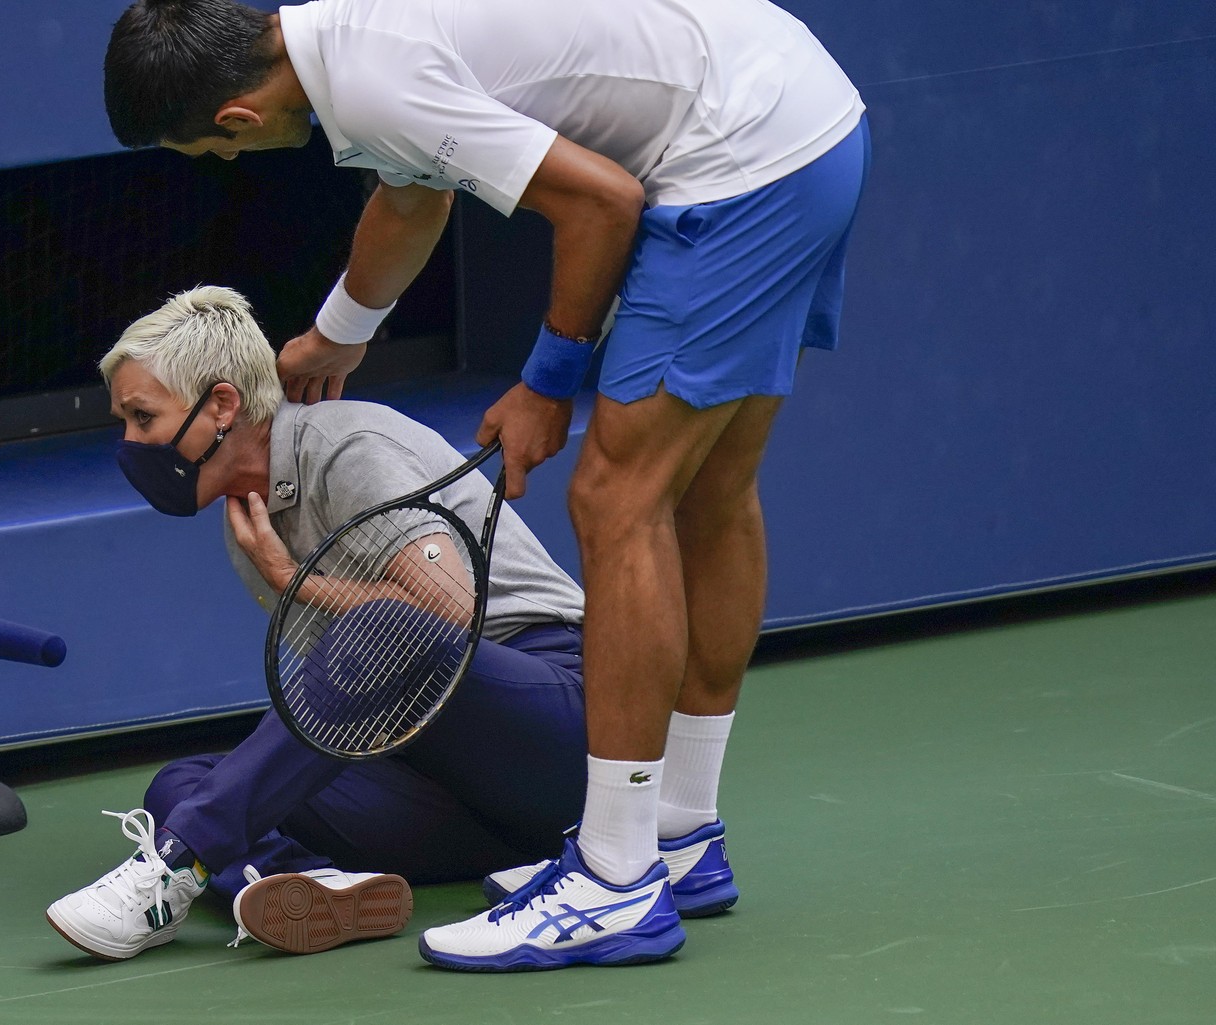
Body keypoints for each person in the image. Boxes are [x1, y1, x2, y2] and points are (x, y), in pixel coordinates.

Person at [103, 0, 869, 971]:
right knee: (711, 491)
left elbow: (602, 202)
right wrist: (344, 327)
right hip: (805, 121)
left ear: (238, 119)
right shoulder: (344, 39)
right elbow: (413, 195)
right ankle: (679, 836)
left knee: (615, 498)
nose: (228, 164)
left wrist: (548, 382)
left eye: (212, 153)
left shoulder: (373, 79)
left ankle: (617, 878)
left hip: (739, 157)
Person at [46, 285, 617, 960]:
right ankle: (308, 884)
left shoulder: (349, 447)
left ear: (222, 405)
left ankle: (175, 864)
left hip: (562, 728)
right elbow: (342, 714)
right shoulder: (247, 515)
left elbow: (448, 616)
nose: (131, 444)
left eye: (143, 417)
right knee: (182, 782)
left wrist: (297, 583)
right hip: (460, 789)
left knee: (383, 627)